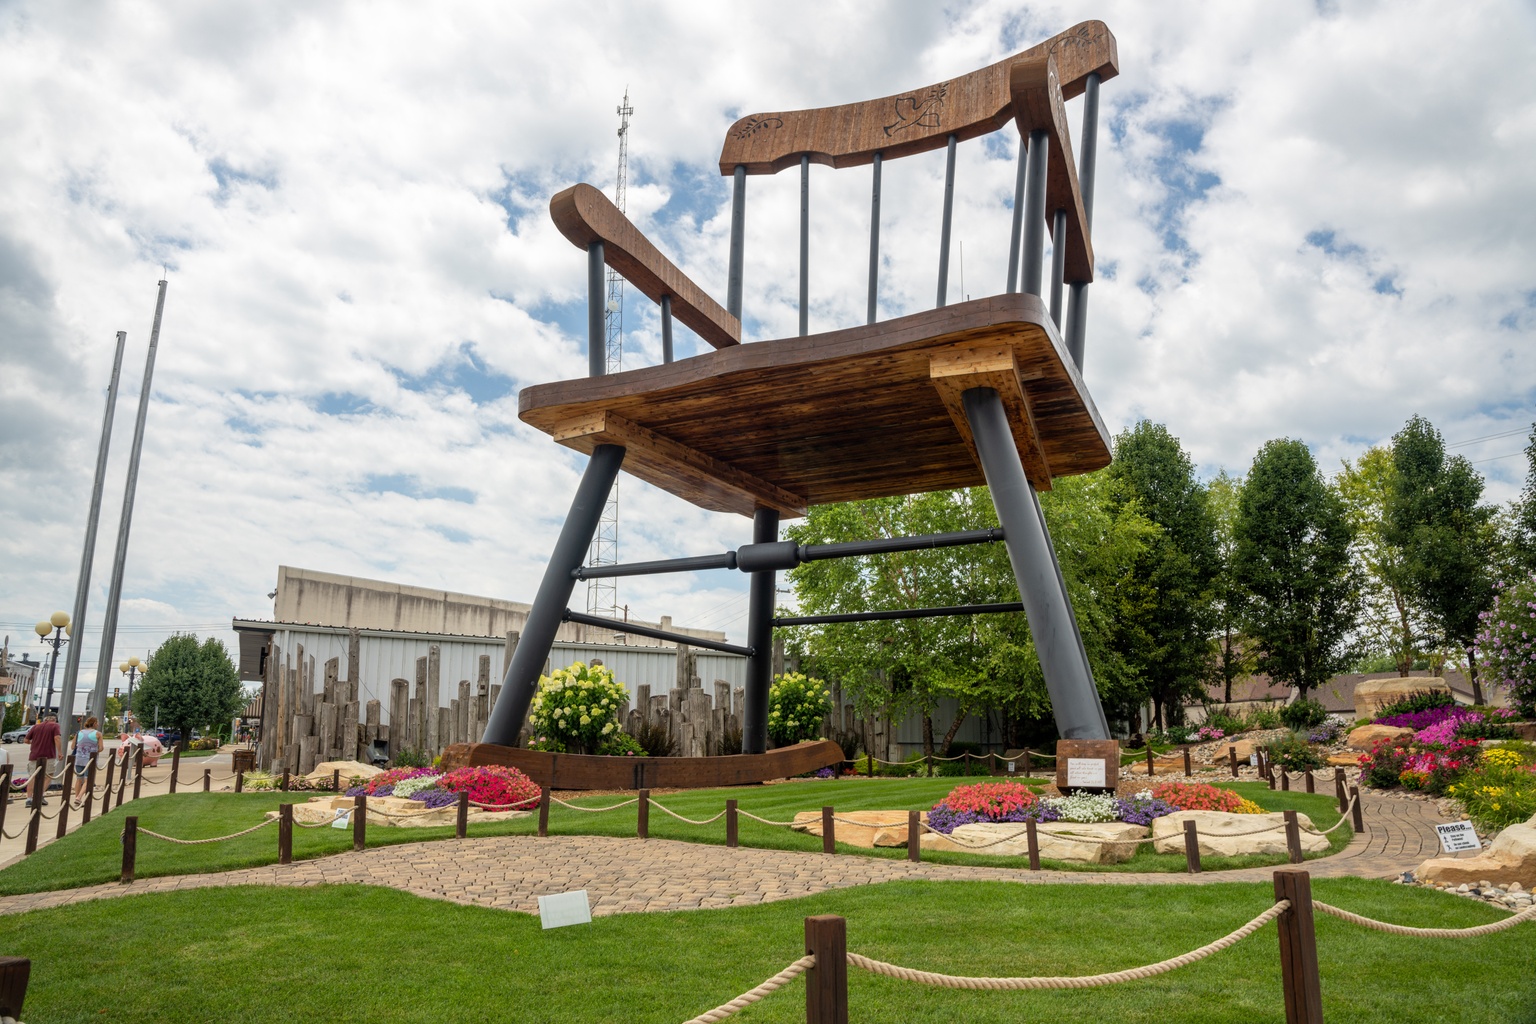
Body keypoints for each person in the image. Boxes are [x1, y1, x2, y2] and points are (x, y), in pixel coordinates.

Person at [26, 713, 61, 807]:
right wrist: (60, 752)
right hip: (48, 755)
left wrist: (34, 743)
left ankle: (29, 799)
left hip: (34, 755)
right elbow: (57, 738)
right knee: (49, 775)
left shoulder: (36, 726)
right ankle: (40, 795)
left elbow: (26, 740)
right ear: (55, 719)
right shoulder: (55, 726)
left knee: (32, 776)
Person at [71, 716, 102, 803]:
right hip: (90, 760)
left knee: (79, 779)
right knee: (87, 780)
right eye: (97, 722)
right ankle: (79, 797)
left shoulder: (79, 733)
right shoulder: (98, 734)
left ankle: (77, 797)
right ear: (95, 723)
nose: (98, 724)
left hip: (79, 758)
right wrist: (93, 749)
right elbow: (101, 748)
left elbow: (73, 746)